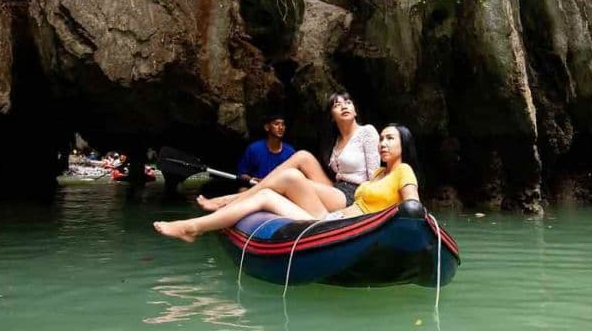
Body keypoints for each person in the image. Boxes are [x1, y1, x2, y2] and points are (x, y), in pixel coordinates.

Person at [153, 125, 419, 243]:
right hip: (332, 219)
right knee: (266, 194)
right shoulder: (376, 176)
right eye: (381, 138)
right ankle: (195, 228)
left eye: (390, 139)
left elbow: (412, 204)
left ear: (403, 144)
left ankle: (192, 227)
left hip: (350, 227)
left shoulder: (403, 170)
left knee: (283, 184)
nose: (382, 143)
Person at [196, 92, 379, 213]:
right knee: (302, 156)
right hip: (336, 187)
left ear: (355, 110)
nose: (344, 106)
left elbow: (374, 177)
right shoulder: (335, 140)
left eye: (348, 102)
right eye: (337, 104)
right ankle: (236, 198)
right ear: (331, 115)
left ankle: (228, 201)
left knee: (292, 180)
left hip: (354, 194)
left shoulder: (367, 132)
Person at [237, 114, 295, 182]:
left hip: (278, 189)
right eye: (276, 124)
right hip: (256, 186)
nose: (281, 127)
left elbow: (294, 178)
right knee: (242, 190)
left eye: (283, 124)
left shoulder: (290, 152)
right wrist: (252, 180)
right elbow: (242, 174)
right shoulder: (254, 149)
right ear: (267, 127)